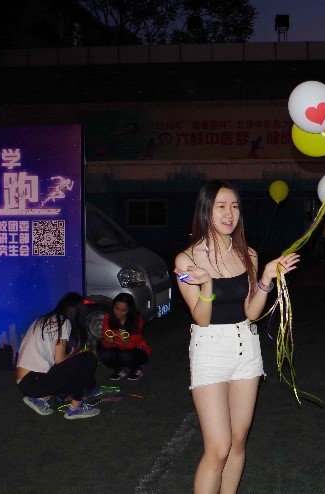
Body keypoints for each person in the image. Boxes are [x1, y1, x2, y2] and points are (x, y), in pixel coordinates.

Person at [173, 180, 300, 494]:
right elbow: (201, 318)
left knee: (238, 441)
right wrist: (206, 285)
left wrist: (266, 280)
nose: (229, 214)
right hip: (210, 350)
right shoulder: (186, 260)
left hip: (246, 348)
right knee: (218, 448)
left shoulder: (249, 255)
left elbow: (252, 312)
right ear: (206, 211)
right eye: (220, 206)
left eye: (234, 206)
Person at [16, 292, 100, 420]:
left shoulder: (44, 320)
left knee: (88, 380)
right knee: (89, 358)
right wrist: (81, 354)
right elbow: (60, 361)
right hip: (34, 382)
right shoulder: (63, 323)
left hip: (27, 382)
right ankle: (75, 408)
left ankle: (40, 398)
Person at [98, 293, 151, 381]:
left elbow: (132, 345)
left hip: (137, 350)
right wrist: (108, 341)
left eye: (123, 310)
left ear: (129, 309)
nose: (118, 312)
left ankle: (136, 369)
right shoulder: (108, 318)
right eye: (116, 308)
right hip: (118, 349)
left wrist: (125, 339)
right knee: (104, 354)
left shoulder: (137, 320)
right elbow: (106, 344)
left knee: (125, 356)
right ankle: (119, 369)